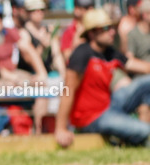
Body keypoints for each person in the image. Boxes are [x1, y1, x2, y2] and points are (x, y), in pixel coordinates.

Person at [56, 8, 150, 148]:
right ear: (92, 33)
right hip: (91, 118)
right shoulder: (82, 53)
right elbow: (67, 91)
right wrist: (60, 129)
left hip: (110, 106)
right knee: (144, 131)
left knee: (147, 82)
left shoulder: (109, 52)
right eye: (106, 28)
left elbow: (142, 67)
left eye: (112, 27)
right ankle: (134, 135)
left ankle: (132, 132)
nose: (112, 32)